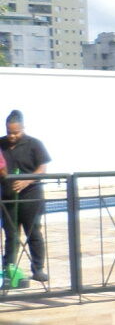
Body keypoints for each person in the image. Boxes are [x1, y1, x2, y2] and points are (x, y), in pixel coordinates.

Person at [1, 110, 51, 283]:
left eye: (16, 132)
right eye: (9, 132)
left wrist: (26, 181)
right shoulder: (1, 144)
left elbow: (42, 169)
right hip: (8, 196)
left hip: (31, 195)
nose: (12, 136)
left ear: (23, 128)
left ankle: (38, 269)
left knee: (33, 232)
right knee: (11, 235)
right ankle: (9, 269)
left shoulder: (34, 144)